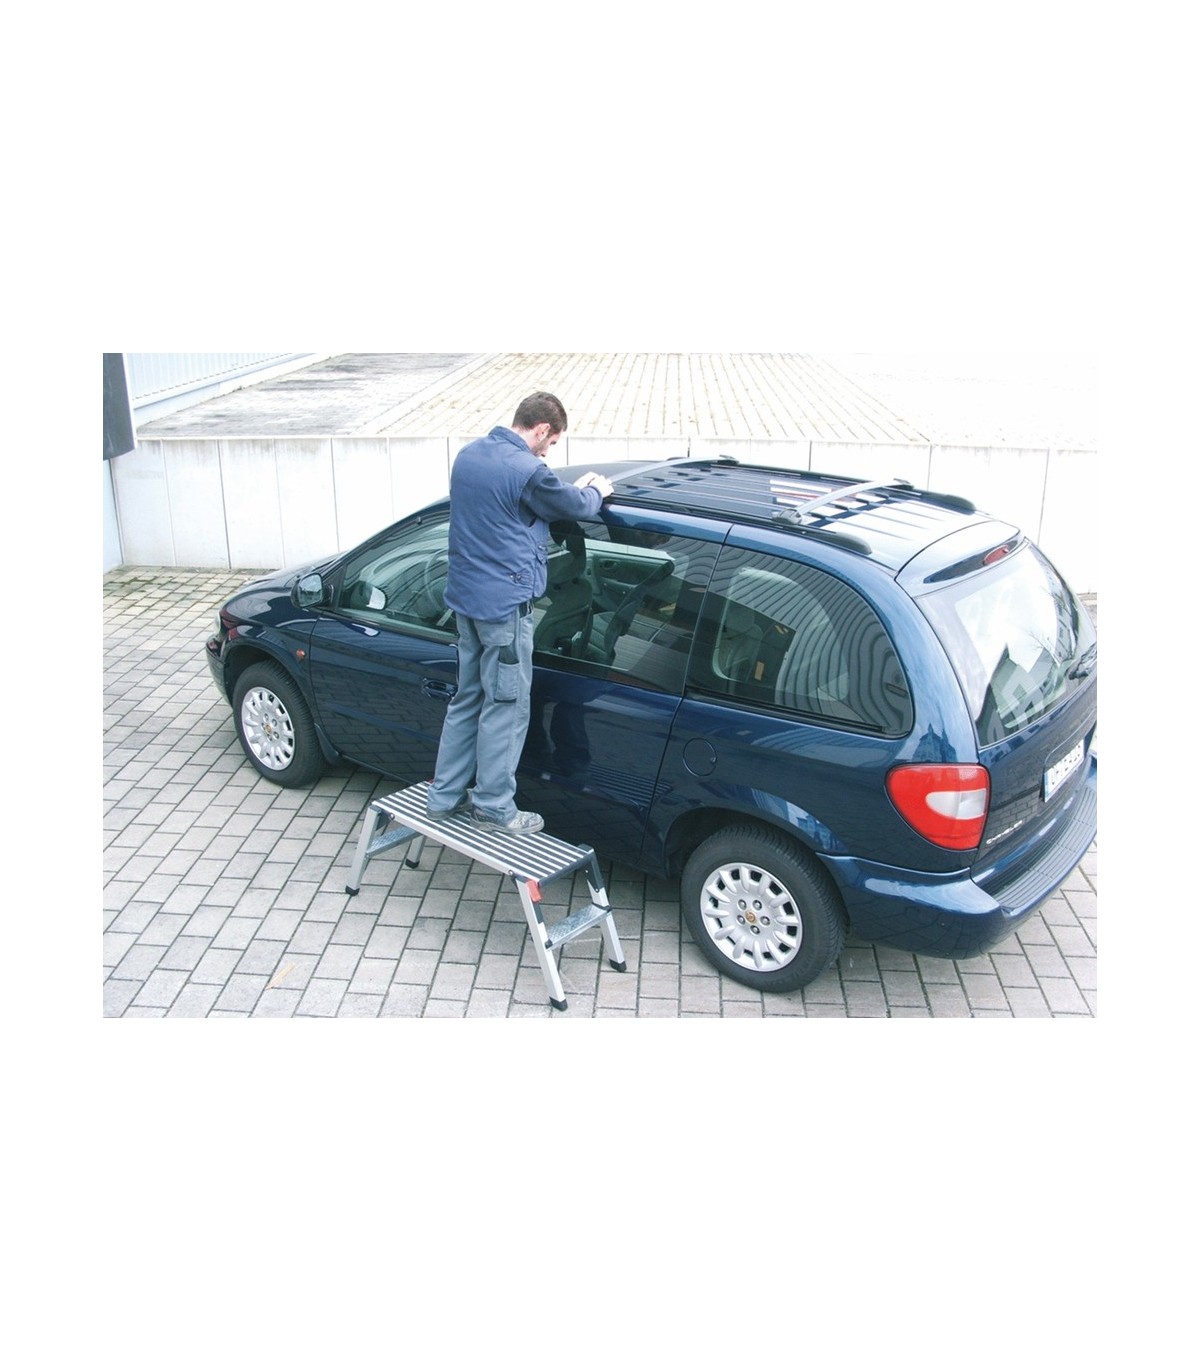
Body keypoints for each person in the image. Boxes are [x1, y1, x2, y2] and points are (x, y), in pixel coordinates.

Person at [425, 393, 613, 834]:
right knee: (506, 706)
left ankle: (444, 796)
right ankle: (493, 806)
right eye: (552, 443)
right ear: (542, 429)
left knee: (467, 698)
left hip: (466, 603)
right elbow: (574, 506)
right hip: (504, 611)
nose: (548, 453)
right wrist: (595, 491)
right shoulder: (527, 471)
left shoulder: (469, 456)